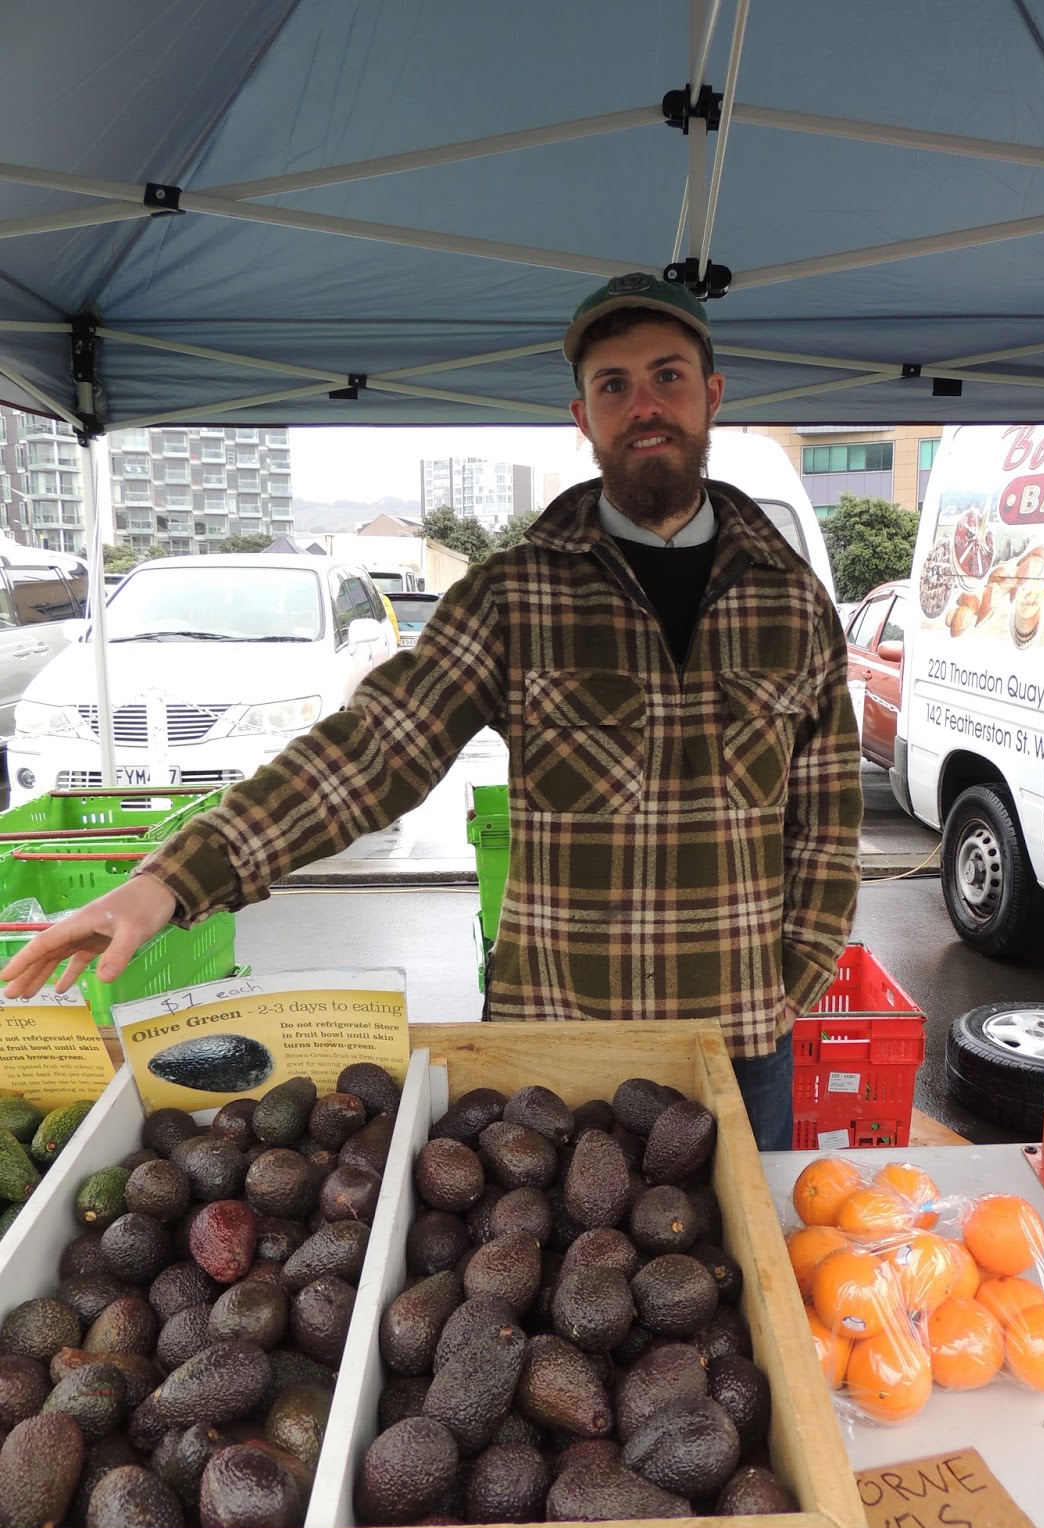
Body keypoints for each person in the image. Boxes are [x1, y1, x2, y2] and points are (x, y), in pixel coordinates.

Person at [0, 273, 863, 1150]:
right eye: (614, 385)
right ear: (583, 416)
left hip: (739, 1044)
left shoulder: (794, 605)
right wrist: (172, 880)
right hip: (555, 1050)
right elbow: (373, 750)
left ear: (713, 395)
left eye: (668, 376)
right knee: (541, 1240)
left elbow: (828, 830)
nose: (644, 405)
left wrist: (788, 983)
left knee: (749, 1239)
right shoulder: (514, 597)